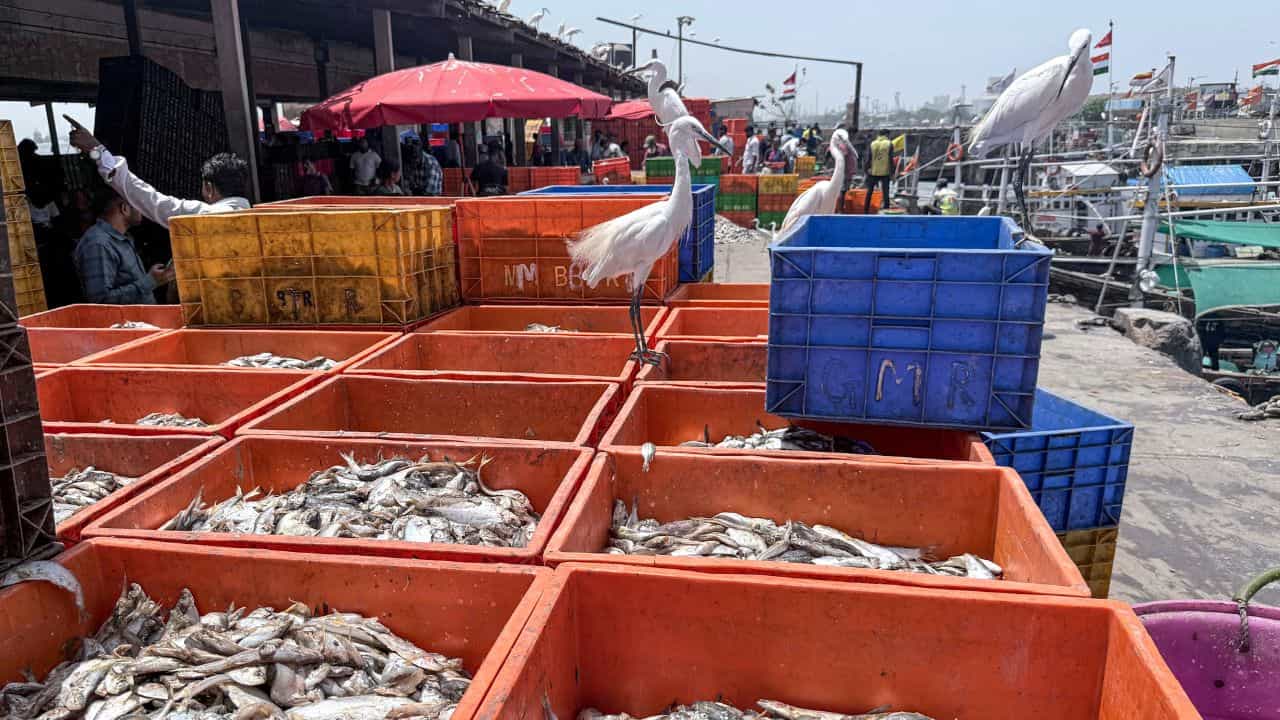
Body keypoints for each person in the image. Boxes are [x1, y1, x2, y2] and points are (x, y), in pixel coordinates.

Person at [69, 122, 250, 228]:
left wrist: (97, 150)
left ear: (209, 188)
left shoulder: (202, 215)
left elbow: (149, 198)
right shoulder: (263, 218)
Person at [74, 188, 172, 304]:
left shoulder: (122, 238)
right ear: (124, 208)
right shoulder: (98, 244)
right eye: (137, 204)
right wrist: (150, 281)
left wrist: (153, 280)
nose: (142, 209)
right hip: (125, 322)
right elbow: (101, 301)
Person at [864, 129, 895, 215]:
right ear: (886, 134)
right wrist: (892, 173)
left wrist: (866, 170)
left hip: (873, 171)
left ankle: (865, 210)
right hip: (885, 172)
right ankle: (886, 210)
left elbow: (869, 159)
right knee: (886, 192)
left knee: (869, 192)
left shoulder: (873, 144)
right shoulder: (889, 144)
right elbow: (891, 160)